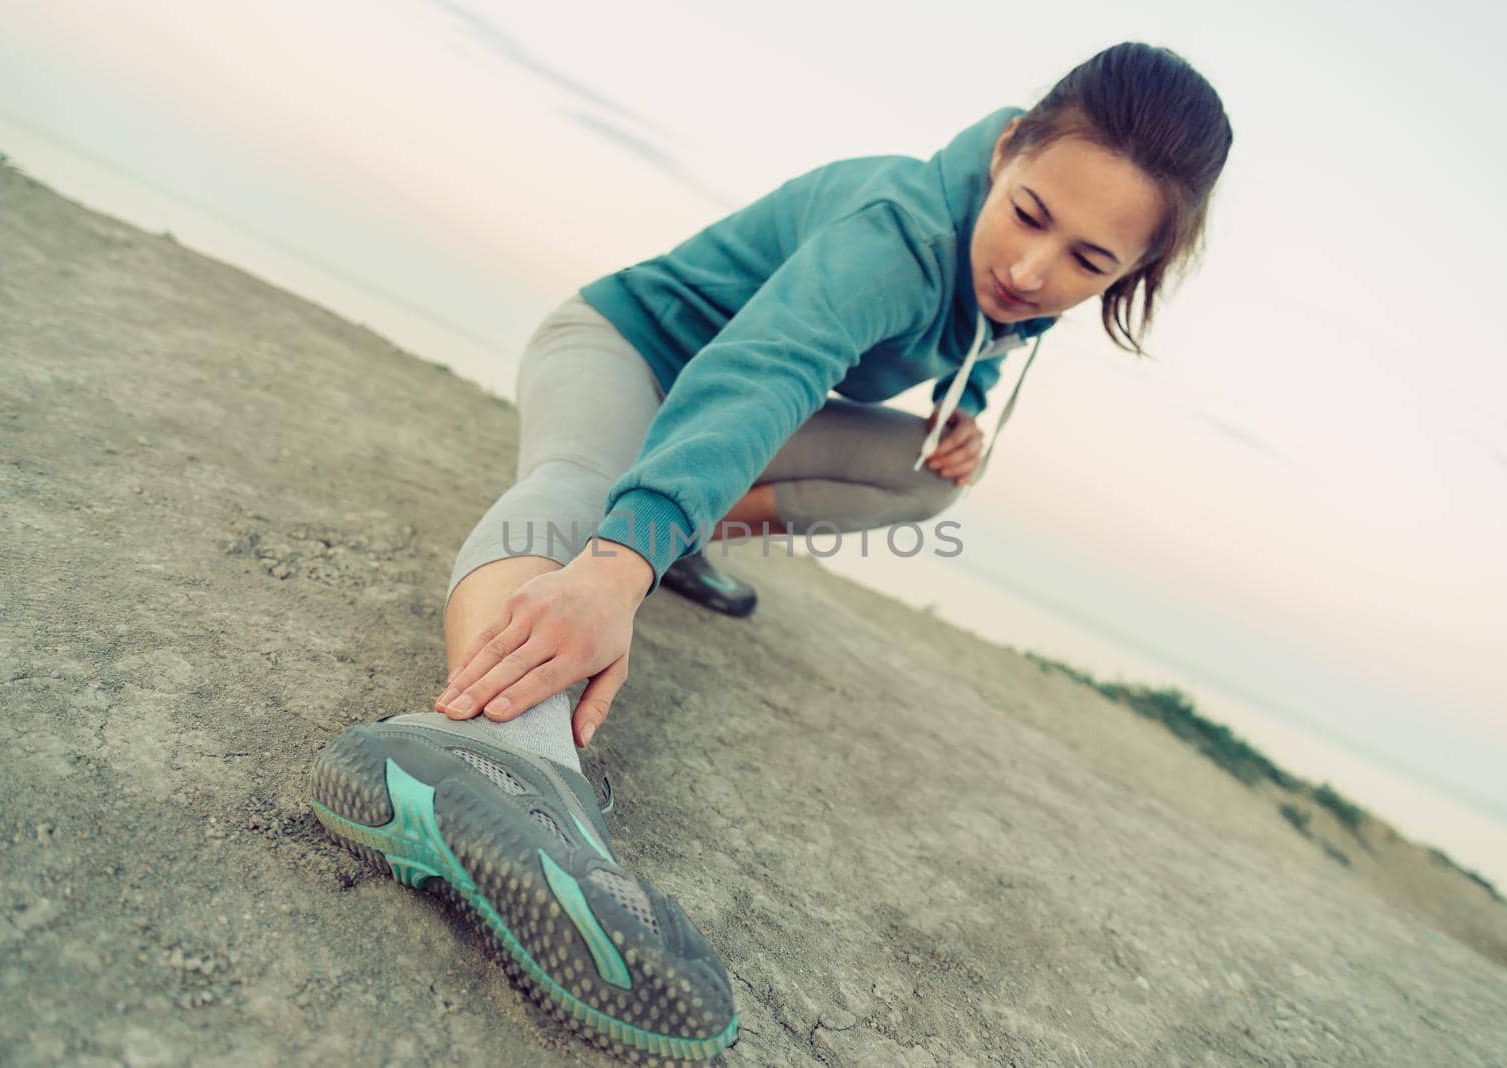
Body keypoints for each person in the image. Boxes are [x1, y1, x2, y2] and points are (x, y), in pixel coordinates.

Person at [309, 41, 1232, 1062]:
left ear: (1130, 267)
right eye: (1028, 216)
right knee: (579, 495)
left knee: (932, 474)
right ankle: (494, 755)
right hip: (628, 350)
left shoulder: (1026, 271)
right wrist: (619, 563)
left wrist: (965, 409)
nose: (1031, 269)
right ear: (1010, 148)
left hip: (724, 393)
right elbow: (764, 369)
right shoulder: (897, 228)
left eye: (1088, 263)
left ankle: (677, 539)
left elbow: (987, 331)